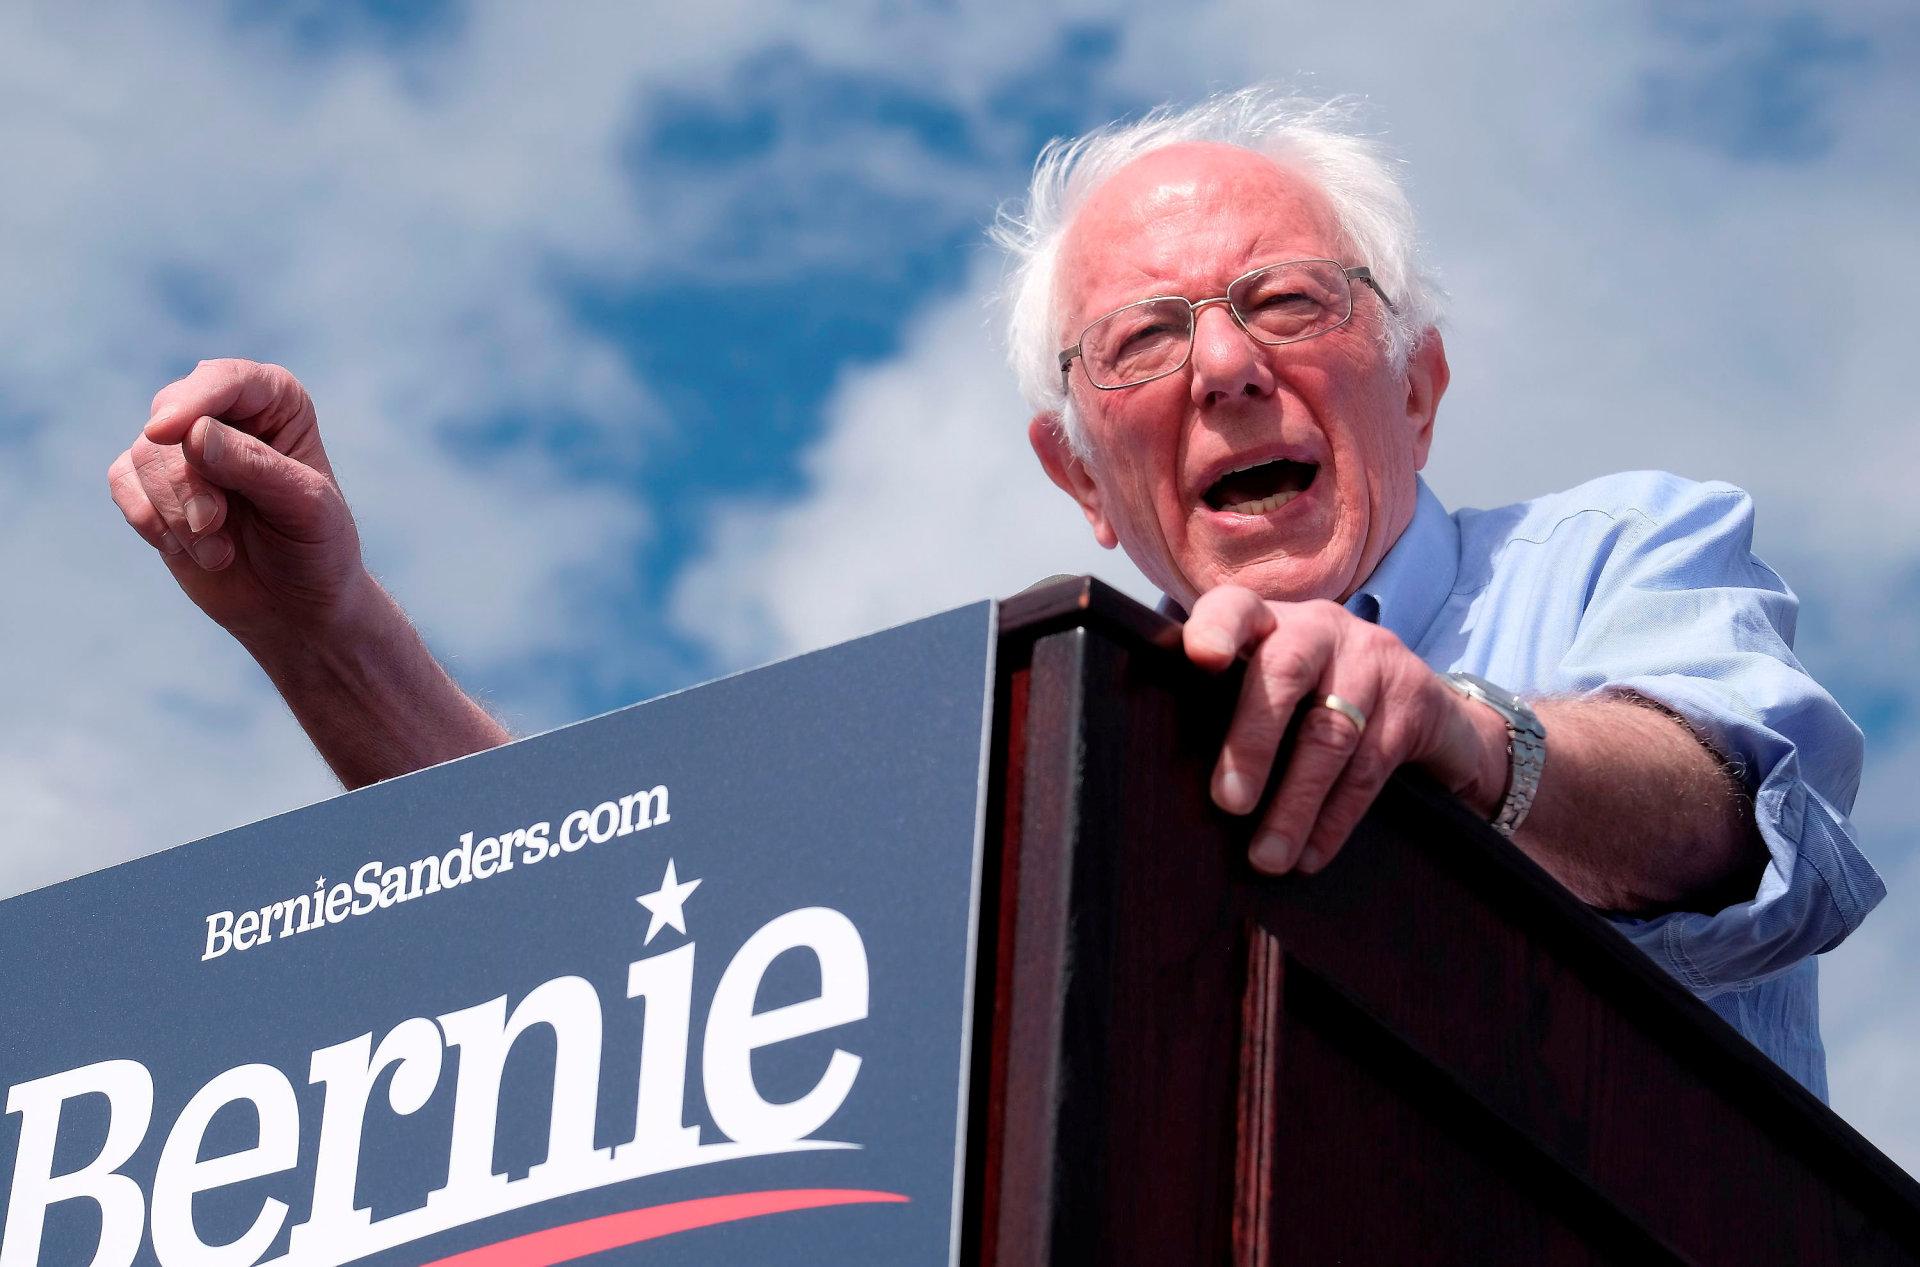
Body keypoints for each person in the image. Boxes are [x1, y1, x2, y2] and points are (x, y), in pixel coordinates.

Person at [108, 88, 1879, 1099]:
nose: (1228, 369)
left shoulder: (1619, 558)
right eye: (1145, 345)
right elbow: (611, 938)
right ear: (1081, 483)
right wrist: (318, 629)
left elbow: (1740, 826)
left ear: (1416, 383)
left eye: (1289, 303)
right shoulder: (1016, 761)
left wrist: (1453, 735)